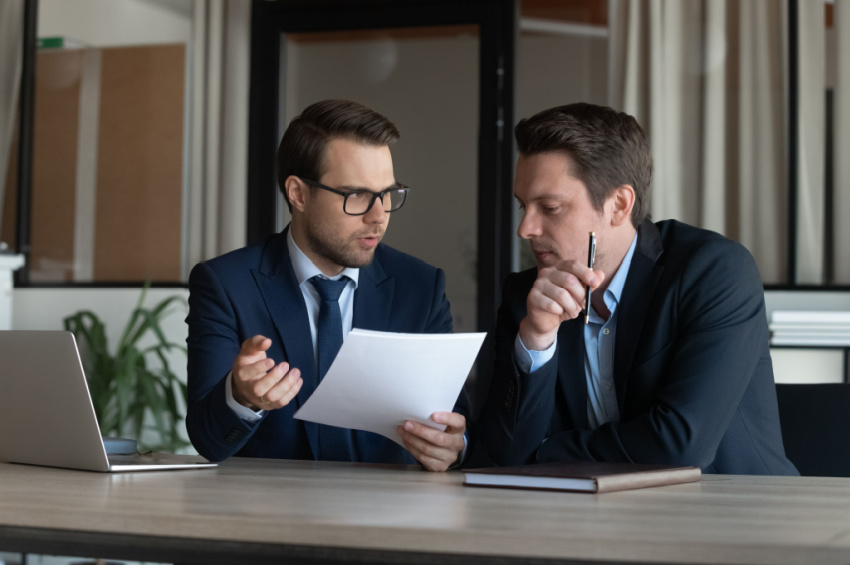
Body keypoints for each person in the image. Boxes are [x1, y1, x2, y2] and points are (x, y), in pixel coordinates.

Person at [475, 102, 798, 475]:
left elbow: (679, 446)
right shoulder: (527, 297)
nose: (526, 229)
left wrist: (546, 451)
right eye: (523, 206)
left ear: (619, 204)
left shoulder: (713, 272)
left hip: (732, 515)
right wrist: (536, 338)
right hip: (591, 520)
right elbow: (506, 451)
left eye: (550, 207)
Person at [186, 99, 466, 471]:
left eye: (387, 194)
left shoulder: (422, 288)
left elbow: (455, 421)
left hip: (391, 515)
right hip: (269, 518)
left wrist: (453, 445)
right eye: (357, 196)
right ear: (298, 194)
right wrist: (241, 398)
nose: (378, 216)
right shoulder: (226, 284)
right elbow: (208, 442)